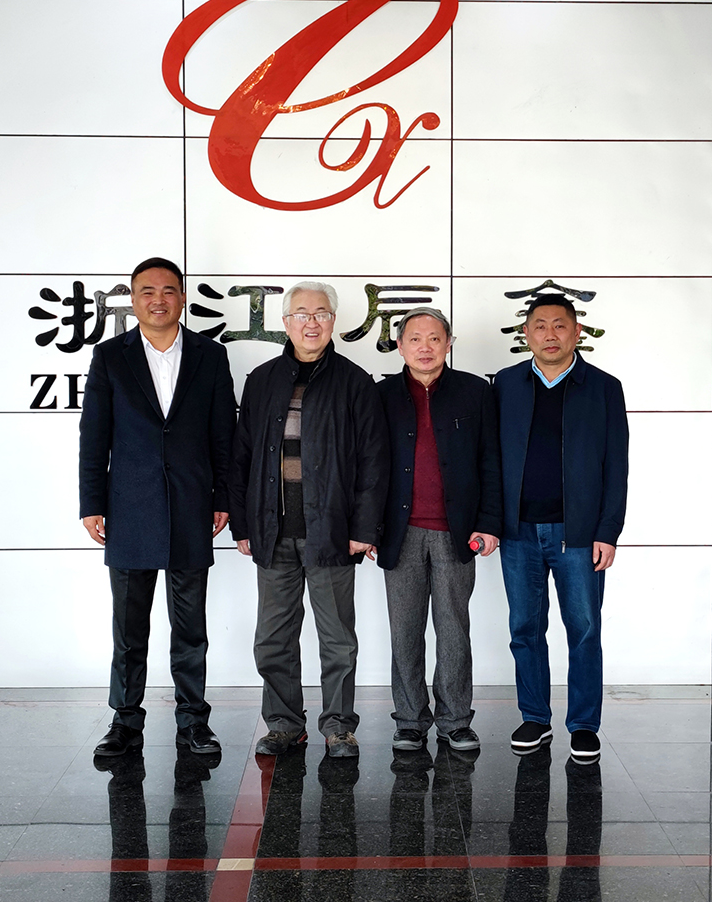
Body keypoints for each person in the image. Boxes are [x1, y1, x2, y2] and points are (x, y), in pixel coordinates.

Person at [79, 257, 237, 757]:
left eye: (168, 290)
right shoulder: (110, 357)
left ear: (182, 297)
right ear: (132, 299)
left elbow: (223, 436)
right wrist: (91, 503)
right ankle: (125, 721)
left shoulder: (210, 356)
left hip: (192, 506)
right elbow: (94, 437)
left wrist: (223, 498)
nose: (158, 299)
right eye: (147, 291)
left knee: (190, 628)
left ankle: (193, 722)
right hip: (128, 510)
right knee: (129, 630)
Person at [228, 281, 389, 759]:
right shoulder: (262, 380)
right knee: (273, 639)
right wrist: (243, 526)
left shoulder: (355, 382)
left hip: (332, 532)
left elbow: (374, 462)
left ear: (333, 321)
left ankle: (338, 727)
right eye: (301, 314)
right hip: (272, 531)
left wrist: (363, 529)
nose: (311, 322)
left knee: (337, 639)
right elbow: (241, 457)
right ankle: (283, 724)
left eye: (320, 313)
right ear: (285, 322)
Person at [494, 293, 628, 765]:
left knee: (584, 629)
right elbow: (490, 459)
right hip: (518, 532)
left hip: (579, 533)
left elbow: (617, 465)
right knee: (524, 627)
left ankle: (584, 725)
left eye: (559, 325)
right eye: (540, 326)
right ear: (526, 334)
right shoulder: (505, 384)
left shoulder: (603, 387)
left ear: (577, 332)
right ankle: (535, 716)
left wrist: (607, 530)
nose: (550, 335)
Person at [376, 307, 501, 752]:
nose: (425, 347)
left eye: (434, 338)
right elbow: (367, 467)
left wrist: (488, 523)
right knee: (404, 631)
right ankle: (410, 720)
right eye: (415, 339)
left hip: (456, 531)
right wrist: (368, 528)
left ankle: (455, 720)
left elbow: (491, 461)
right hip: (400, 531)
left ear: (449, 343)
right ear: (399, 346)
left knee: (453, 629)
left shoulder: (474, 392)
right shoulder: (381, 395)